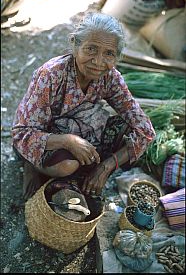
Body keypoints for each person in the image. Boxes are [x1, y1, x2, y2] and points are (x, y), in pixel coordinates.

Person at [12, 12, 156, 201]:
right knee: (67, 166)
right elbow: (21, 134)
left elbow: (145, 130)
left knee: (127, 130)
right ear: (75, 45)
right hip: (45, 137)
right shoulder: (50, 75)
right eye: (91, 49)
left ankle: (86, 170)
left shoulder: (110, 77)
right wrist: (68, 141)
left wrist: (106, 167)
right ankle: (31, 164)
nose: (98, 62)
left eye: (109, 54)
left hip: (82, 130)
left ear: (117, 56)